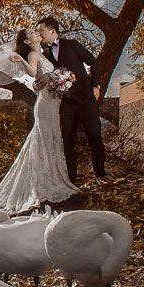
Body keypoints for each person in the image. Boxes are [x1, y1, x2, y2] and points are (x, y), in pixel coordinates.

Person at [0, 27, 79, 212]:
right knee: (45, 140)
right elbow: (31, 73)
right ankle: (43, 184)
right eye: (32, 33)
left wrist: (65, 80)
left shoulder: (43, 55)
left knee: (52, 140)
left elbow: (40, 79)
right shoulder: (31, 55)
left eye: (36, 31)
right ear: (28, 42)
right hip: (45, 105)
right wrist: (21, 59)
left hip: (53, 103)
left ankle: (54, 178)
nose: (37, 33)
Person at [36, 17, 106, 184]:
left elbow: (93, 63)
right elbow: (44, 77)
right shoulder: (44, 55)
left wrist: (96, 86)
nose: (39, 34)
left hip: (86, 98)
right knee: (67, 140)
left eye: (41, 31)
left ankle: (101, 175)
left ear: (52, 31)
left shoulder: (72, 45)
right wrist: (36, 83)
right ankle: (71, 180)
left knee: (94, 137)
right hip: (65, 102)